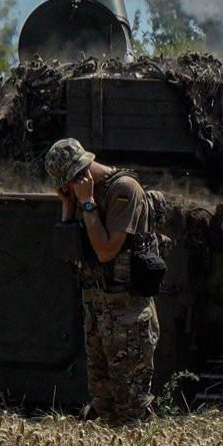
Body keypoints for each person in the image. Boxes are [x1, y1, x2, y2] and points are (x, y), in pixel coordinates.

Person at [45, 137, 158, 423]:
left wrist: (88, 205)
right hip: (98, 312)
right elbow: (70, 256)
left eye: (67, 183)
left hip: (126, 315)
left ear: (78, 174)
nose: (67, 189)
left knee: (130, 408)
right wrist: (69, 208)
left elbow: (106, 251)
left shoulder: (123, 190)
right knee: (103, 406)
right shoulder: (82, 198)